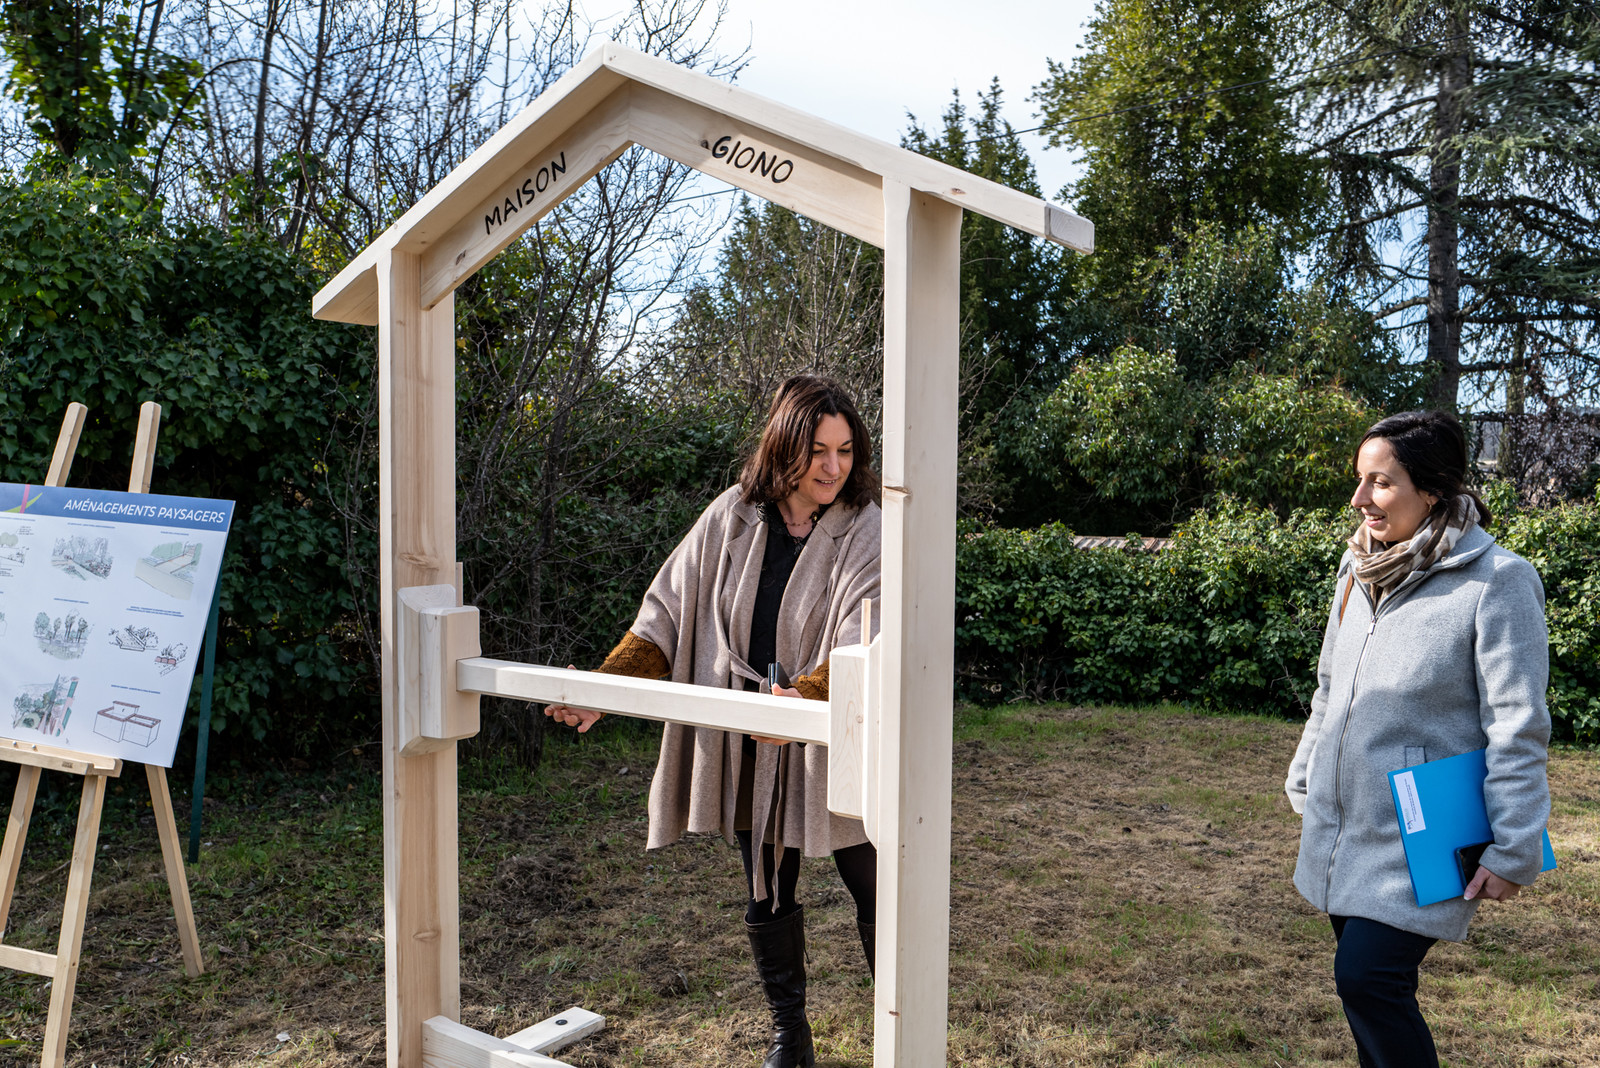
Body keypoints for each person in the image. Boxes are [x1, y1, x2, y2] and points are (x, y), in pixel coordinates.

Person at [545, 374, 880, 1068]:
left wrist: (810, 699)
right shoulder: (732, 514)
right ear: (784, 445)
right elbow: (666, 613)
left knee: (872, 875)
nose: (832, 467)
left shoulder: (867, 525)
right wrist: (606, 690)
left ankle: (901, 1027)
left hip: (837, 726)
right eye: (817, 449)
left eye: (845, 450)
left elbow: (864, 630)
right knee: (765, 878)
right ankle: (792, 1037)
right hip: (746, 727)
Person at [1285, 410, 1552, 1068]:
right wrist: (1306, 769)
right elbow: (1330, 687)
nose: (1359, 499)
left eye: (1380, 483)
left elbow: (1517, 723)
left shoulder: (1498, 582)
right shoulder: (1357, 572)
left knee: (1368, 980)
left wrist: (1515, 848)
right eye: (1359, 480)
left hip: (1422, 831)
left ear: (1430, 489)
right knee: (1368, 984)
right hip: (1343, 824)